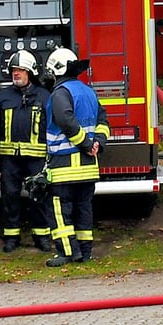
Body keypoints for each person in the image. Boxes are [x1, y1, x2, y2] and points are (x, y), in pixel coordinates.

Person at [43, 47, 109, 267]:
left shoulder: (60, 93)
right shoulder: (88, 91)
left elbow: (66, 121)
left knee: (60, 211)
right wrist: (98, 142)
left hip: (64, 166)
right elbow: (103, 120)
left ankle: (68, 252)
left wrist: (86, 143)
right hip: (89, 166)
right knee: (84, 209)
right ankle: (85, 252)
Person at [0, 50, 54, 253]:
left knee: (39, 197)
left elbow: (51, 127)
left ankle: (42, 237)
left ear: (31, 72)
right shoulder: (3, 97)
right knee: (10, 197)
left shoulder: (45, 96)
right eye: (13, 70)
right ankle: (11, 238)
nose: (16, 74)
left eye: (20, 70)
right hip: (10, 159)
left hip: (36, 158)